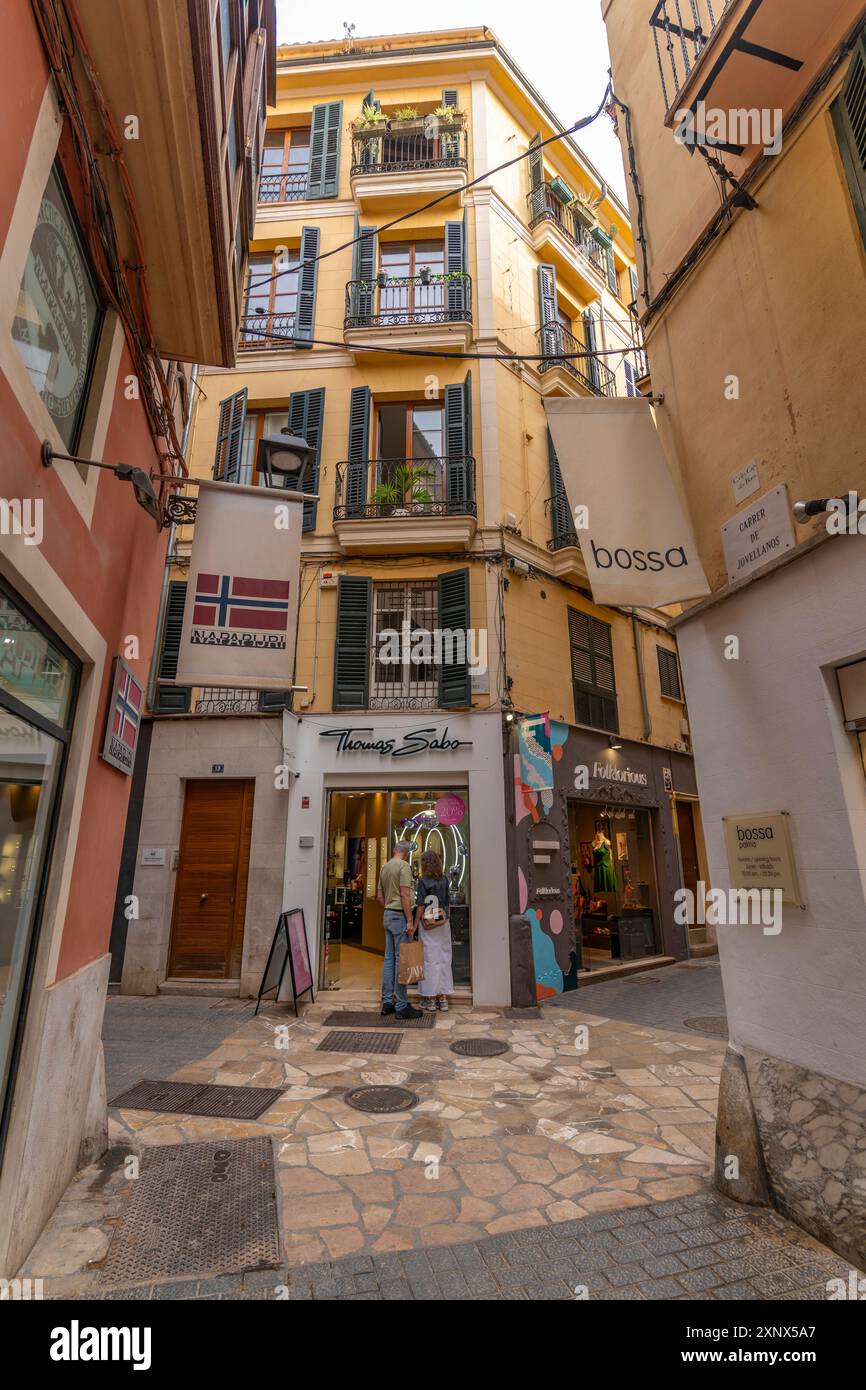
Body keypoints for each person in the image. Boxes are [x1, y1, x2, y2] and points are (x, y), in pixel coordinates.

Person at [377, 840, 422, 1019]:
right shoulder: (404, 867)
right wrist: (409, 920)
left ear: (395, 850)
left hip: (387, 915)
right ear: (407, 853)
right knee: (400, 960)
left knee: (389, 959)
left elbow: (379, 896)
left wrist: (389, 908)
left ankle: (387, 1002)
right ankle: (402, 1006)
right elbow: (405, 894)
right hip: (399, 916)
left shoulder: (385, 867)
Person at [413, 850, 453, 1012]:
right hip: (443, 923)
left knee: (429, 960)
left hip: (428, 924)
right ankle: (443, 999)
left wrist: (415, 924)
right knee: (444, 959)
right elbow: (447, 902)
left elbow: (421, 905)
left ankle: (429, 999)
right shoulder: (444, 879)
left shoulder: (423, 881)